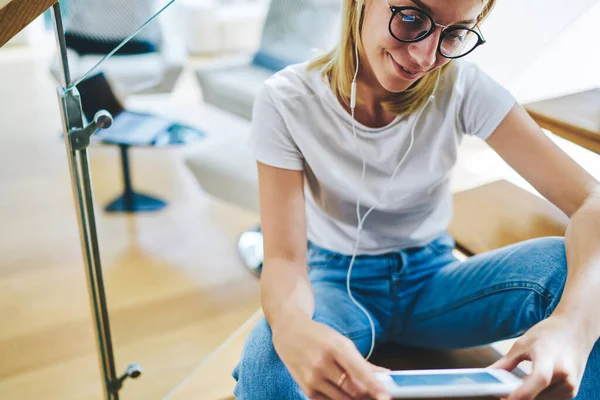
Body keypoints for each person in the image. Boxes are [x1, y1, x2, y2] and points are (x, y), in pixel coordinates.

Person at [232, 0, 600, 399]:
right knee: (267, 359)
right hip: (336, 283)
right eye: (411, 19)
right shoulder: (285, 100)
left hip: (432, 281)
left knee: (575, 274)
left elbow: (591, 200)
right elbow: (285, 259)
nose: (427, 57)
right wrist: (291, 328)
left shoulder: (463, 86)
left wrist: (573, 326)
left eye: (455, 33)